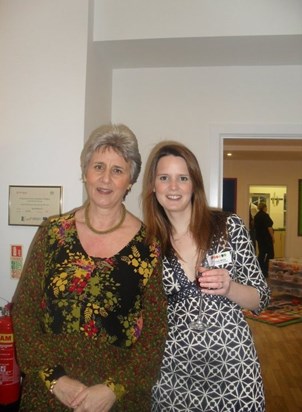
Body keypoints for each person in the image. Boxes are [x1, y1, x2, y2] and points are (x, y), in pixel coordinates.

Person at [12, 124, 167, 412]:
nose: (106, 179)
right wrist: (55, 379)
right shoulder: (52, 232)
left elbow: (156, 332)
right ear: (85, 172)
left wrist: (113, 388)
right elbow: (23, 311)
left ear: (130, 181)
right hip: (48, 394)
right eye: (98, 166)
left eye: (118, 170)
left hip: (117, 400)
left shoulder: (149, 246)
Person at [142, 141, 270, 412]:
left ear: (194, 184)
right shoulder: (148, 244)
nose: (173, 187)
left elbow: (261, 298)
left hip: (233, 369)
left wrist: (229, 287)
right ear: (153, 186)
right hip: (173, 375)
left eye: (183, 178)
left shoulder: (227, 226)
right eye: (164, 178)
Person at [253, 202, 275, 277]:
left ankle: (260, 270)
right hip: (266, 238)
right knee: (270, 254)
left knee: (262, 254)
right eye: (266, 207)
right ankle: (266, 270)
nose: (267, 208)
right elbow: (269, 227)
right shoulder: (265, 216)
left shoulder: (256, 216)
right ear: (264, 207)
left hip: (259, 238)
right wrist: (272, 237)